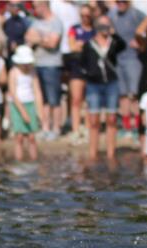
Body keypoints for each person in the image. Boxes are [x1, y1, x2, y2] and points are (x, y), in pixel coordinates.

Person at [82, 15, 126, 160]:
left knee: (111, 119)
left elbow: (123, 45)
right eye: (102, 26)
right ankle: (92, 153)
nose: (104, 29)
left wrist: (114, 33)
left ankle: (110, 153)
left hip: (111, 83)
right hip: (94, 84)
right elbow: (84, 62)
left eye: (107, 26)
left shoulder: (113, 43)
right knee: (94, 120)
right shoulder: (89, 44)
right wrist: (90, 74)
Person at [24, 0, 64, 140]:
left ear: (44, 6)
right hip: (37, 64)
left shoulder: (56, 22)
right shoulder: (36, 22)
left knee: (54, 99)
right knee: (44, 99)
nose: (35, 10)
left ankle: (56, 128)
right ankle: (45, 127)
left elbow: (53, 43)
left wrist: (38, 38)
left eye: (36, 7)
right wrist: (43, 39)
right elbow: (28, 38)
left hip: (52, 65)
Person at [108, 0, 147, 137]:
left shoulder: (136, 14)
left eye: (123, 1)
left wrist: (140, 40)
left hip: (133, 59)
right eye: (118, 1)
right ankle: (125, 127)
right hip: (118, 59)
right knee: (123, 94)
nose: (121, 3)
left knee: (134, 94)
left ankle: (136, 125)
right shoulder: (112, 14)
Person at [67, 4, 96, 144]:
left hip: (91, 68)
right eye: (82, 15)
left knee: (90, 100)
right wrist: (84, 46)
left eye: (87, 16)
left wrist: (82, 45)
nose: (85, 18)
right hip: (77, 67)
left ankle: (88, 128)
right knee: (76, 99)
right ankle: (76, 129)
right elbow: (73, 46)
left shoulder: (95, 30)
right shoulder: (74, 29)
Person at [9, 44, 43, 161]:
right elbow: (12, 93)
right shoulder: (14, 72)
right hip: (17, 106)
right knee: (19, 137)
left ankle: (34, 161)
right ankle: (19, 161)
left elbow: (37, 91)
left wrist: (40, 111)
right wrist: (23, 112)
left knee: (32, 136)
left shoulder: (32, 72)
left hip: (30, 104)